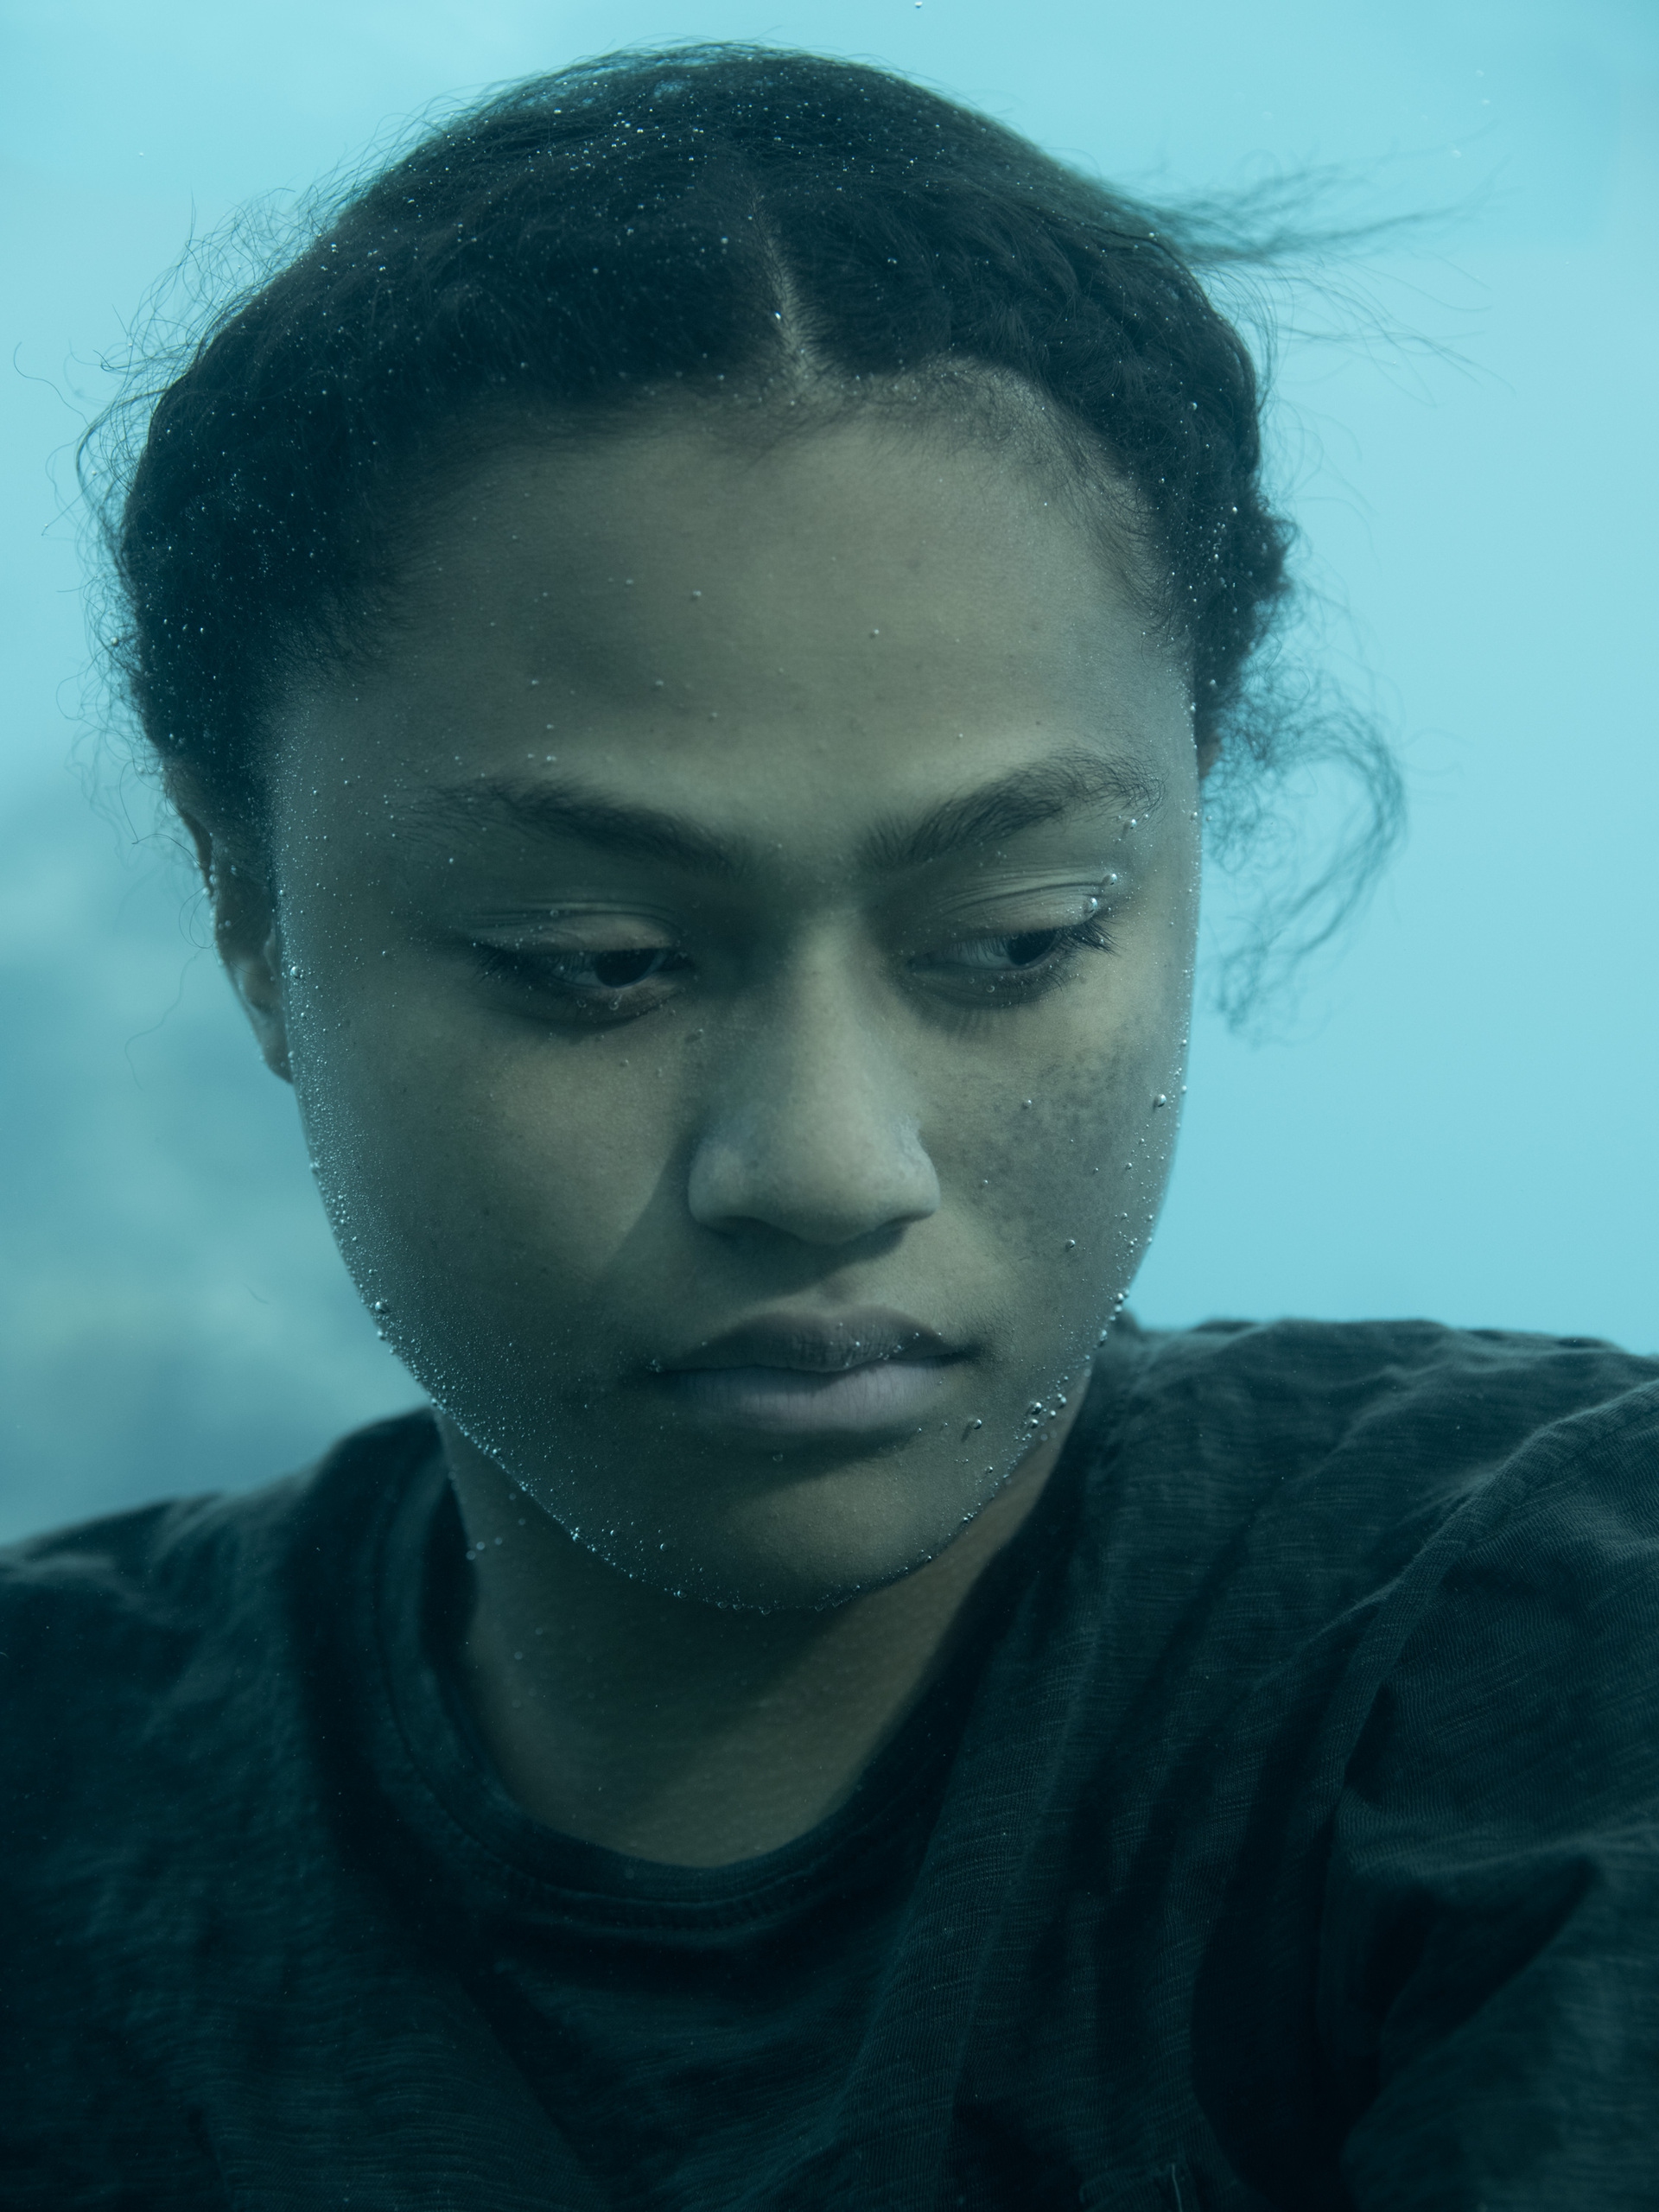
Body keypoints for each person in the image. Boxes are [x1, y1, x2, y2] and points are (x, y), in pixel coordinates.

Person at [4, 42, 1656, 2211]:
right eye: (597, 960)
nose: (825, 1163)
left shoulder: (1539, 1656)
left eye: (1015, 937)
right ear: (247, 910)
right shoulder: (54, 1792)